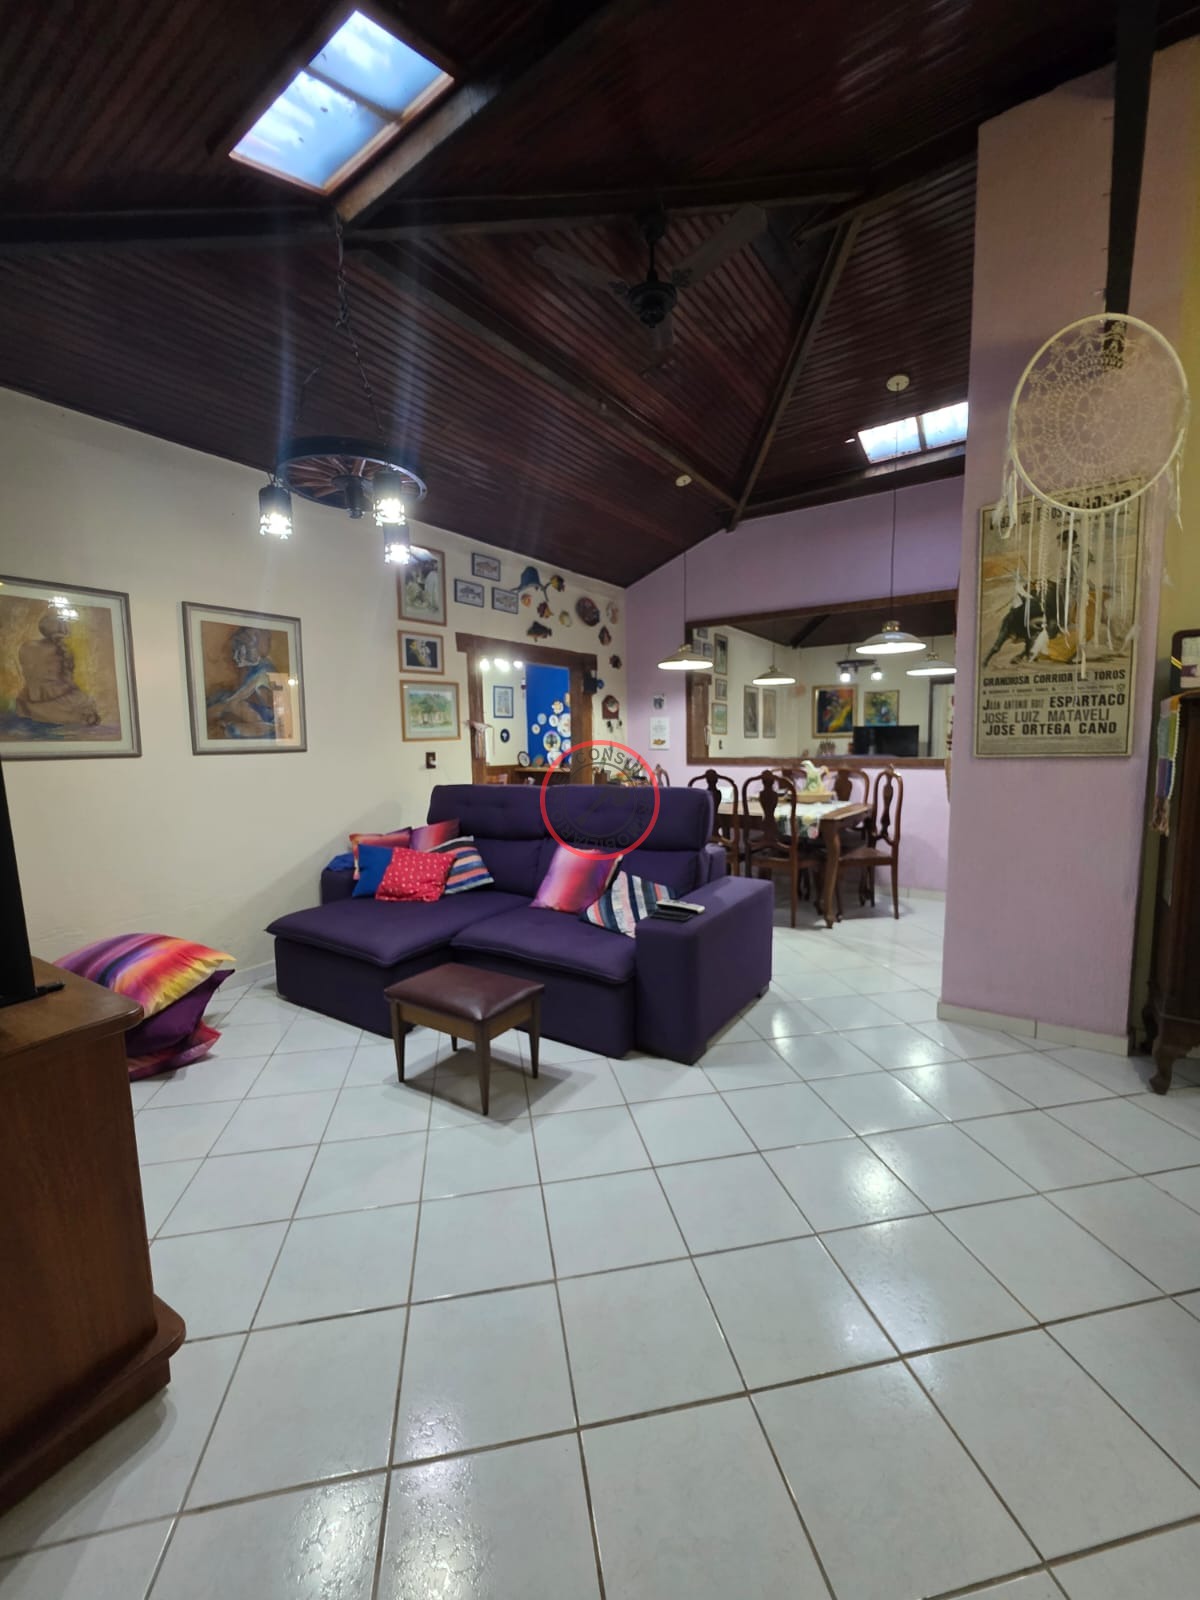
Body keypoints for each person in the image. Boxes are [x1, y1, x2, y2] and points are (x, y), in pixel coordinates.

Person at [16, 608, 100, 726]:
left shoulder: (26, 647)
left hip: (27, 702)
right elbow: (68, 681)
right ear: (63, 630)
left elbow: (31, 676)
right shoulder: (61, 651)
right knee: (86, 703)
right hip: (55, 705)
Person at [206, 627, 279, 738]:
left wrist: (224, 706)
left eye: (239, 651)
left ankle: (237, 728)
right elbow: (240, 692)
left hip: (267, 713)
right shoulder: (250, 668)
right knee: (223, 702)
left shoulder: (265, 668)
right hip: (255, 708)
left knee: (232, 706)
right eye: (234, 651)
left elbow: (242, 694)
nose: (234, 657)